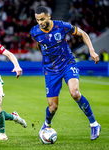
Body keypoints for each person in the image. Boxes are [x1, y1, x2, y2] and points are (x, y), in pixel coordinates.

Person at [30, 6, 100, 141]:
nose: (40, 22)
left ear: (49, 16)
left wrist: (91, 50)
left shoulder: (61, 26)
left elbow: (83, 34)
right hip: (50, 70)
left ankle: (94, 124)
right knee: (53, 107)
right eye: (38, 20)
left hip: (67, 63)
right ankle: (47, 124)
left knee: (75, 93)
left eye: (42, 19)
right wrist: (44, 57)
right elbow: (40, 44)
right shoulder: (35, 31)